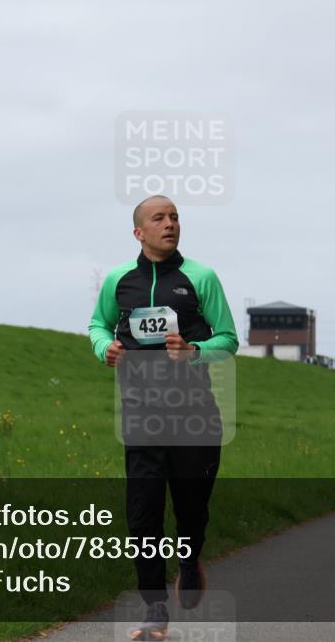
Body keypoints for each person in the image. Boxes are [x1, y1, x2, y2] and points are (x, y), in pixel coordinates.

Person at [89, 195, 238, 641]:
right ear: (139, 232)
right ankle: (155, 608)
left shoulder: (201, 277)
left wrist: (194, 352)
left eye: (174, 216)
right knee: (143, 515)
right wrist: (105, 349)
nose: (170, 223)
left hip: (195, 416)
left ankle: (190, 558)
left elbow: (228, 338)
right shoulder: (118, 280)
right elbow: (97, 325)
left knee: (191, 509)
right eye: (159, 218)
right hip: (141, 416)